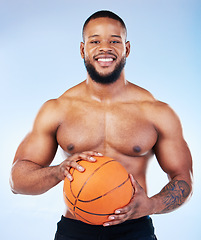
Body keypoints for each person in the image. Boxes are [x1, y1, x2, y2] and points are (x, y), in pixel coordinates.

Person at [10, 10, 193, 240]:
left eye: (114, 41)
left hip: (135, 230)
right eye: (95, 41)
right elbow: (17, 180)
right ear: (82, 49)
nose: (104, 48)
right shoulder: (57, 109)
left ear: (126, 49)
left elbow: (183, 179)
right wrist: (58, 172)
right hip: (75, 229)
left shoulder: (156, 112)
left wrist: (151, 205)